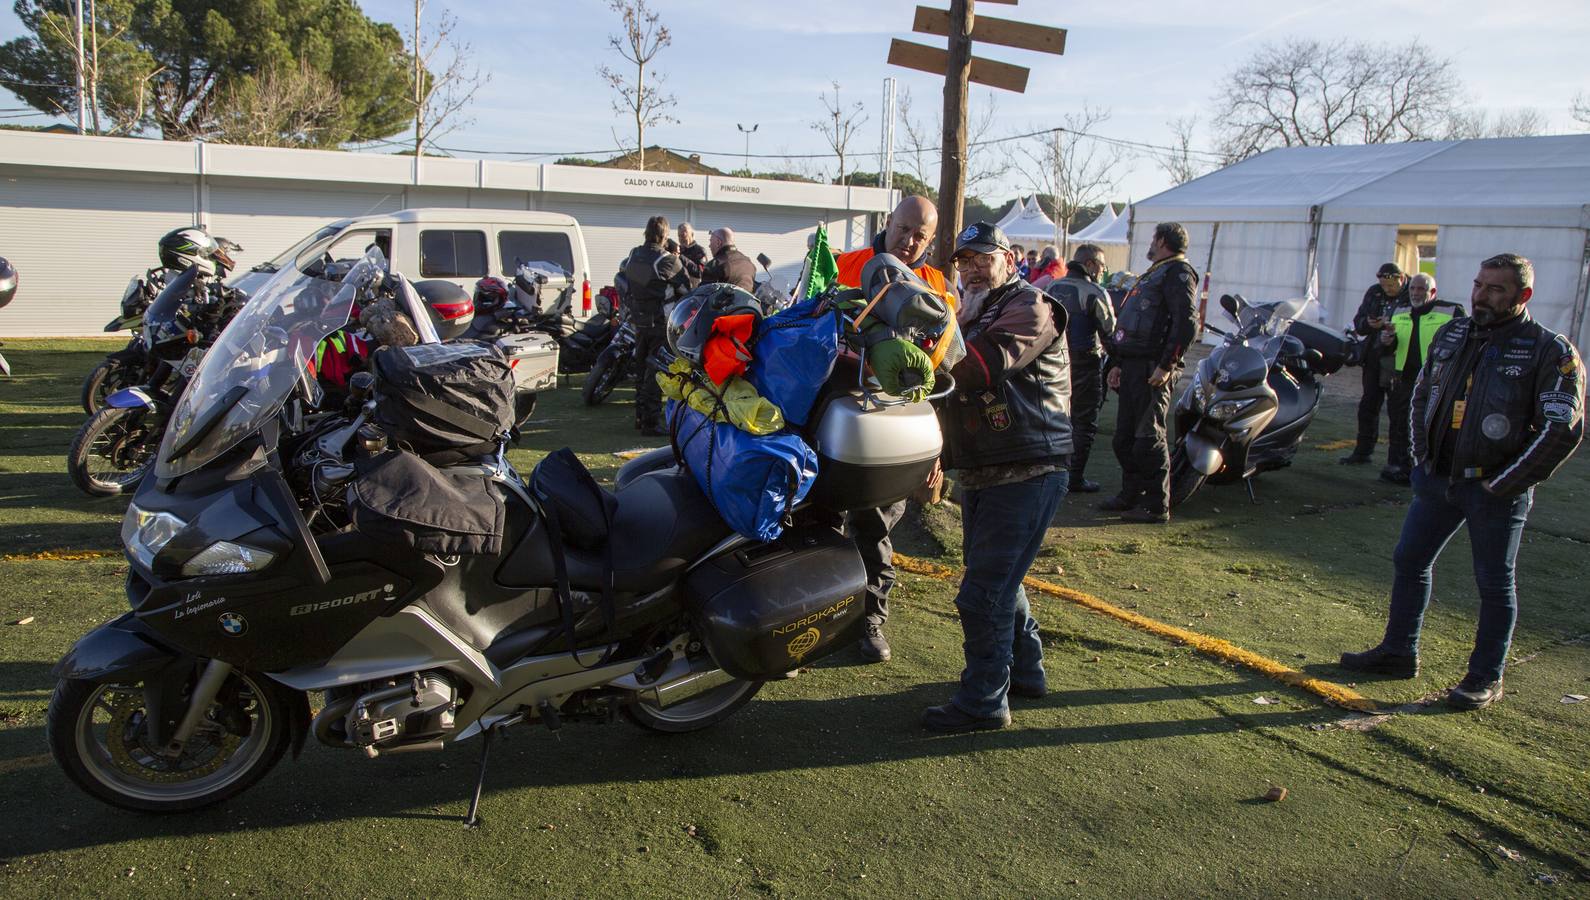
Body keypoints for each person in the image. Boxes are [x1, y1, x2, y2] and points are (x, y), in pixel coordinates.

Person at [1340, 253, 1583, 710]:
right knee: (1410, 560)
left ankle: (1484, 678)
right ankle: (1398, 652)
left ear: (1522, 296)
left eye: (1495, 289)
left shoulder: (1549, 349)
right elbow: (1421, 395)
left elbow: (1561, 428)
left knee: (1493, 583)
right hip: (1438, 480)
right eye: (1478, 284)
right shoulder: (1453, 333)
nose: (1481, 295)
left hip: (1494, 490)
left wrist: (1505, 483)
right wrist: (1420, 459)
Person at [924, 221, 1072, 733]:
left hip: (1030, 467)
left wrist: (925, 341)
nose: (971, 268)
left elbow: (979, 369)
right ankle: (1027, 674)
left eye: (983, 258)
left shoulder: (1031, 305)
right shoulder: (971, 310)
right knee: (1001, 582)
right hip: (991, 469)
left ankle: (984, 701)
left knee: (983, 591)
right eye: (964, 260)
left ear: (1009, 259)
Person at [833, 194, 954, 664]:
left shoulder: (938, 285)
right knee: (811, 522)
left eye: (920, 235)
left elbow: (942, 374)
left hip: (895, 425)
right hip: (832, 411)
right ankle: (803, 626)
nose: (909, 241)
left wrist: (933, 453)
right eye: (904, 229)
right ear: (889, 222)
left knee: (873, 526)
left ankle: (868, 623)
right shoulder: (846, 264)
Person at [1099, 222, 1198, 523]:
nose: (1150, 244)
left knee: (1148, 437)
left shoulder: (1179, 273)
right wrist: (1116, 362)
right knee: (1124, 439)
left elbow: (1187, 323)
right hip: (1132, 364)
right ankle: (1132, 494)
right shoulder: (1158, 271)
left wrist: (1167, 364)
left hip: (1151, 367)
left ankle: (1157, 504)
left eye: (1154, 238)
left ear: (1163, 240)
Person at [1379, 273, 1465, 485]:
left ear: (1432, 292)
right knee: (1399, 423)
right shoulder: (1399, 311)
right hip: (1404, 379)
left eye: (1421, 289)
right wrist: (1386, 339)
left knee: (1430, 425)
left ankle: (1428, 467)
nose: (1416, 293)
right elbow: (1390, 348)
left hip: (1437, 381)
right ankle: (1398, 466)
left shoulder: (1452, 311)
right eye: (1413, 289)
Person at [1045, 243, 1115, 493]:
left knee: (1052, 417)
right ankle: (1073, 478)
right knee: (1083, 422)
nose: (1103, 270)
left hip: (1052, 362)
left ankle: (1051, 473)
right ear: (1091, 265)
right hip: (1086, 363)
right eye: (1102, 266)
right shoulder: (1095, 292)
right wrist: (1117, 362)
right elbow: (1110, 334)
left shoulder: (1053, 286)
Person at [620, 215, 695, 436]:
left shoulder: (634, 254)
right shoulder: (666, 260)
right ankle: (650, 422)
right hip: (660, 322)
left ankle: (639, 416)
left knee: (641, 367)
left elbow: (634, 280)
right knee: (655, 370)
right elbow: (687, 285)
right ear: (665, 235)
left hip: (638, 320)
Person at [1342, 263, 1409, 465]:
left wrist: (1391, 327)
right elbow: (1359, 322)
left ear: (1402, 278)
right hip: (1374, 356)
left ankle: (1396, 460)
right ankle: (1363, 452)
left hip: (1398, 359)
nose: (1387, 289)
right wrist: (1369, 324)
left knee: (1398, 411)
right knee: (1368, 405)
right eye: (1384, 285)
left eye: (1391, 285)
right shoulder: (1374, 291)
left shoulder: (1413, 291)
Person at [702, 227, 757, 292]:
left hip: (724, 302)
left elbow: (702, 295)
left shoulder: (715, 264)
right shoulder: (749, 262)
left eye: (711, 241)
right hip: (747, 301)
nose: (709, 245)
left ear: (718, 242)